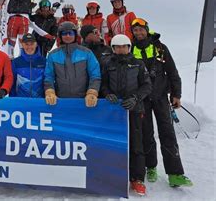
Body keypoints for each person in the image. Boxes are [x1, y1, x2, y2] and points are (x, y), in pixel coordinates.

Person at [131, 18, 193, 187]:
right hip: (142, 100)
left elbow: (172, 72)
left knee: (168, 134)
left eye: (141, 29)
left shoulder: (160, 48)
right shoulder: (130, 48)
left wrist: (176, 94)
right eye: (135, 30)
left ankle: (175, 173)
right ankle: (150, 167)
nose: (139, 33)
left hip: (160, 98)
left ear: (147, 30)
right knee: (146, 134)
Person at [101, 34, 152, 196]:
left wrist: (135, 98)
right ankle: (113, 175)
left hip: (134, 110)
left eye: (124, 46)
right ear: (113, 49)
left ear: (129, 47)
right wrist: (108, 94)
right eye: (117, 47)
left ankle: (137, 179)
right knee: (113, 143)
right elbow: (103, 84)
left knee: (136, 143)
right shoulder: (108, 64)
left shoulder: (138, 64)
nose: (121, 49)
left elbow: (146, 85)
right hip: (114, 111)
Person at [43, 22, 101, 107]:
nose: (68, 36)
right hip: (60, 102)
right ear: (60, 36)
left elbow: (95, 75)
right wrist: (49, 91)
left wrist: (92, 92)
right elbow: (49, 76)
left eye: (70, 33)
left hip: (84, 102)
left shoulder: (86, 53)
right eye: (64, 33)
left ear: (75, 35)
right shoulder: (53, 55)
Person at [10, 33, 46, 97]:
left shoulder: (44, 61)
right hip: (21, 102)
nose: (29, 47)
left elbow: (47, 81)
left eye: (32, 44)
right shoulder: (16, 62)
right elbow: (12, 84)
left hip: (40, 102)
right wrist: (13, 100)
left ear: (36, 44)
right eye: (26, 44)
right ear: (22, 45)